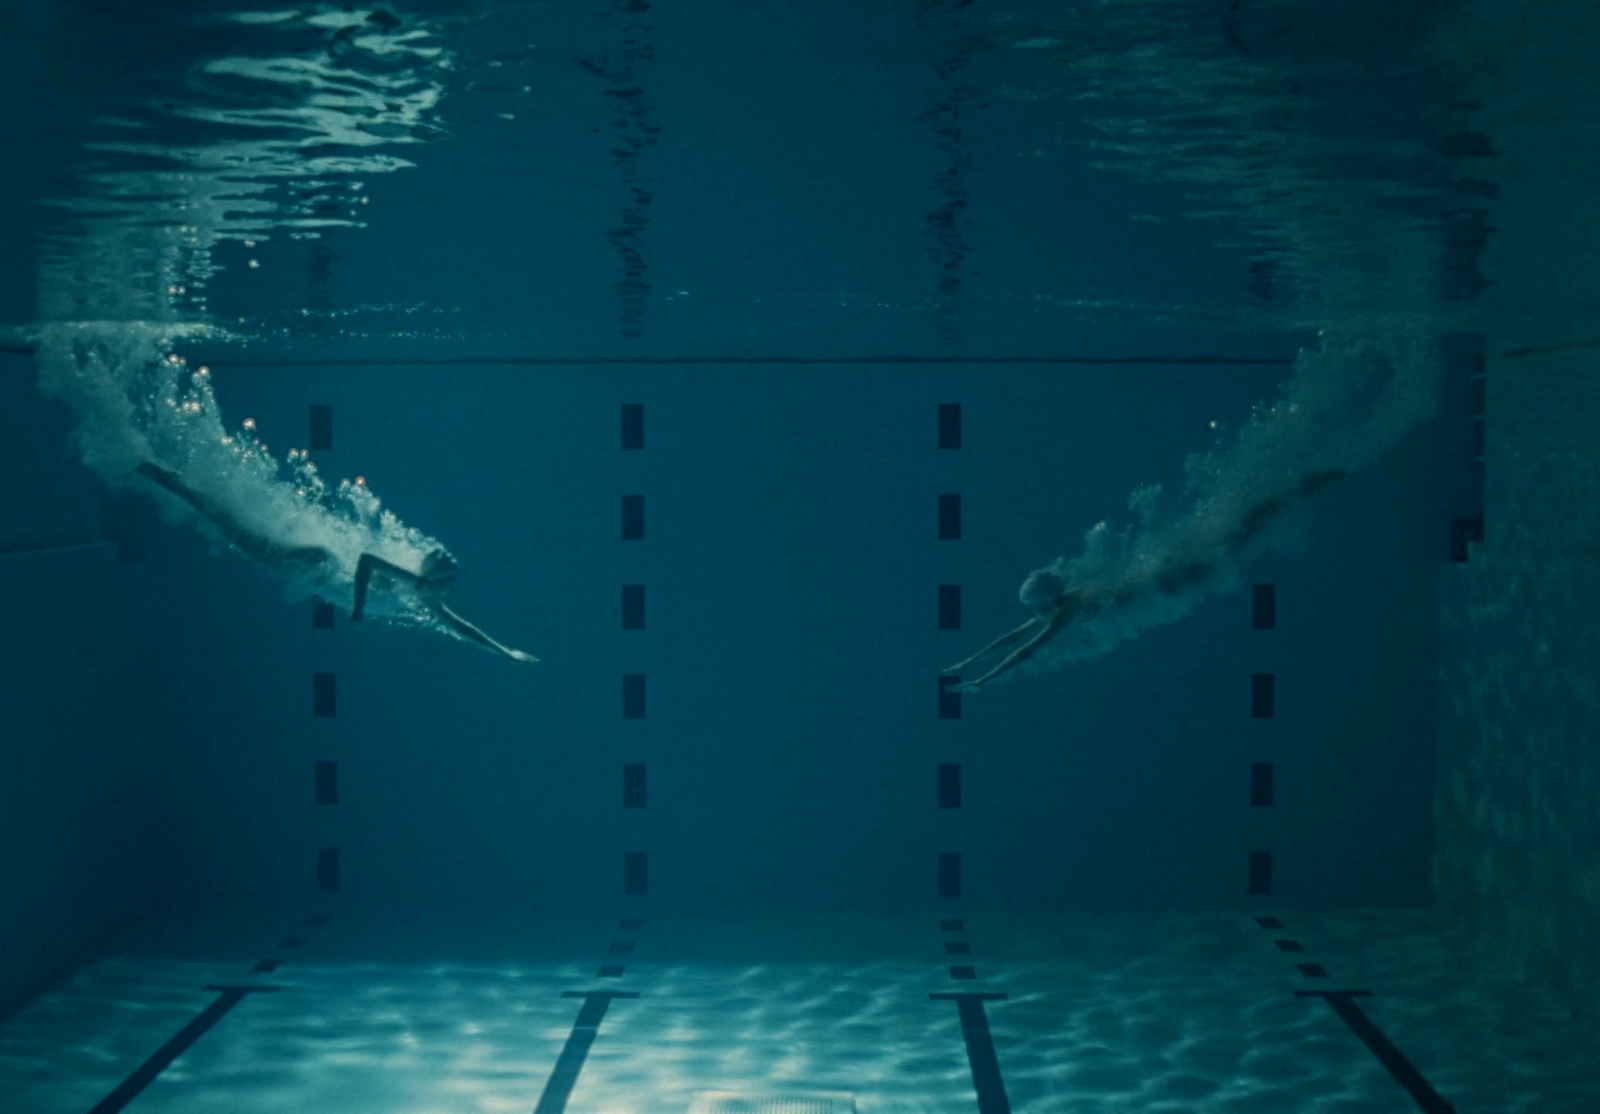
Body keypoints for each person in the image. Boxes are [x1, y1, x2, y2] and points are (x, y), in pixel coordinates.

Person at [943, 470, 1345, 692]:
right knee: (1238, 529)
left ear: (1044, 602)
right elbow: (1010, 640)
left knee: (1244, 531)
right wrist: (966, 663)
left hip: (1175, 576)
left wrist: (983, 680)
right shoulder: (1062, 604)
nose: (1030, 614)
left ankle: (1303, 486)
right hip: (1164, 570)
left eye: (1032, 607)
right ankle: (1295, 486)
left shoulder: (1069, 610)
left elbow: (1026, 651)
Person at [137, 461, 537, 663]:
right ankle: (168, 479)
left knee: (237, 531)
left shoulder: (426, 598)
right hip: (316, 566)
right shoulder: (413, 581)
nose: (450, 591)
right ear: (436, 581)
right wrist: (360, 609)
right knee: (235, 532)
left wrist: (504, 651)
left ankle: (177, 481)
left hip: (318, 568)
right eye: (449, 583)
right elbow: (364, 561)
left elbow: (463, 627)